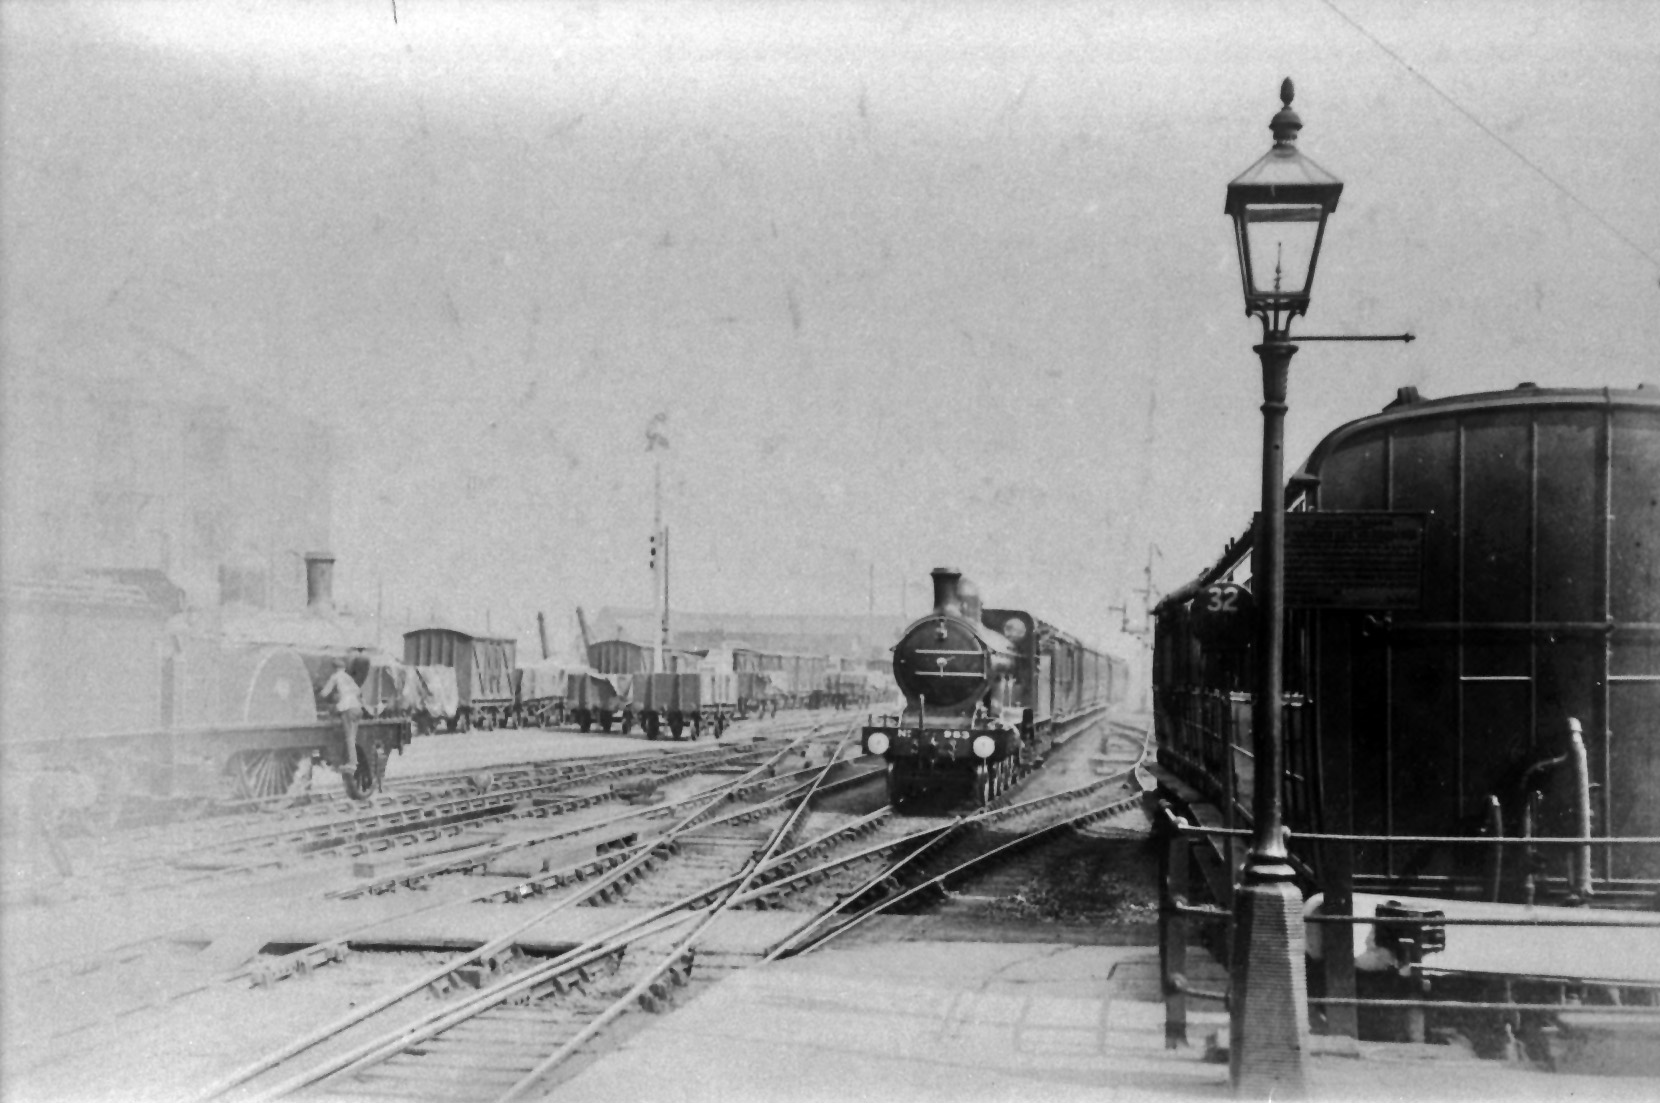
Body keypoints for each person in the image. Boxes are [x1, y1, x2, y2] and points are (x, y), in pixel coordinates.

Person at [320, 656, 365, 780]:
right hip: (357, 709)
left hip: (348, 710)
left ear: (334, 668)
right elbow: (358, 691)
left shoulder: (335, 677)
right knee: (353, 736)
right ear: (344, 668)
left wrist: (319, 694)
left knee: (349, 737)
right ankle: (351, 760)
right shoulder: (348, 678)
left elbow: (324, 693)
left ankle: (352, 763)